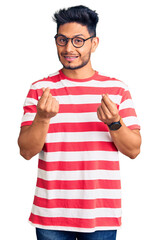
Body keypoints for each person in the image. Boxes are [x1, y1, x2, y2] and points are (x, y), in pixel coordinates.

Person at [18, 5, 141, 240]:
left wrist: (114, 123)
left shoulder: (117, 90)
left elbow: (134, 150)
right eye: (62, 40)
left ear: (94, 43)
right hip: (50, 214)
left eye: (78, 40)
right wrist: (43, 118)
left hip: (101, 214)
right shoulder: (40, 89)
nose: (68, 48)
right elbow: (26, 151)